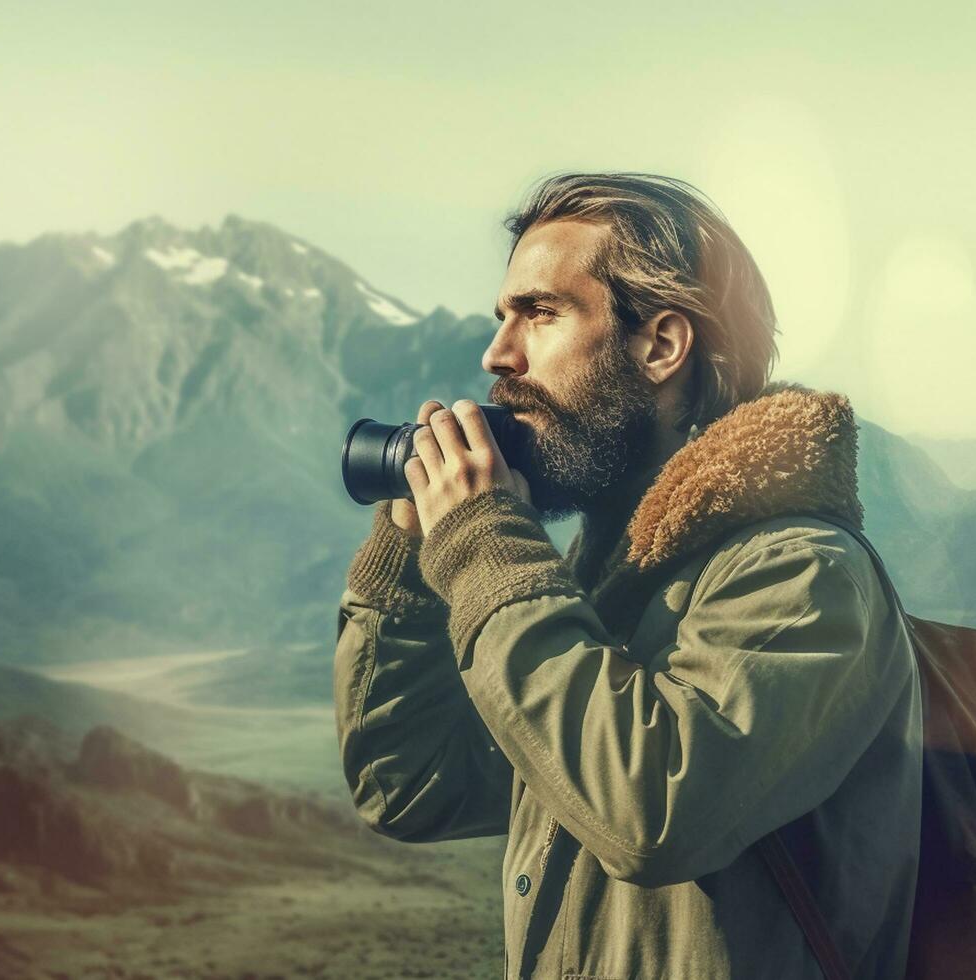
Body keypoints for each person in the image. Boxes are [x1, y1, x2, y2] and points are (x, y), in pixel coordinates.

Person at [333, 172, 922, 979]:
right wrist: (409, 562)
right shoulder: (599, 596)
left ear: (661, 346)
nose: (497, 355)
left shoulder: (800, 573)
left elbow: (652, 813)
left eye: (539, 313)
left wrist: (484, 547)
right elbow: (411, 785)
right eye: (503, 318)